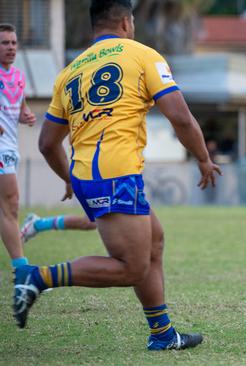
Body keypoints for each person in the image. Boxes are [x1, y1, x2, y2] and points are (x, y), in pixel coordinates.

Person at [12, 0, 221, 351]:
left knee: (154, 242)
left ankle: (163, 334)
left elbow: (48, 143)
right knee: (131, 268)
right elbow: (180, 116)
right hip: (116, 171)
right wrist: (203, 158)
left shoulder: (70, 71)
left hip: (88, 172)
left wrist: (69, 179)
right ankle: (37, 277)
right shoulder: (141, 55)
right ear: (126, 22)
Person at [0, 23, 37, 269]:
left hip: (11, 147)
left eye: (13, 42)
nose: (11, 47)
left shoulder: (19, 77)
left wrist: (27, 116)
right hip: (1, 149)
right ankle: (22, 268)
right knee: (11, 204)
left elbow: (20, 110)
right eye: (4, 43)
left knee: (9, 206)